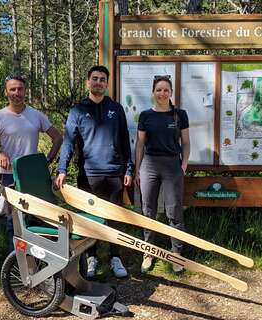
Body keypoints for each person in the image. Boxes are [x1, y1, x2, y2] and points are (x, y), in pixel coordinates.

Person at [54, 65, 133, 278]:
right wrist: (62, 169)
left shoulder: (116, 109)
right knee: (89, 219)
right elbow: (69, 143)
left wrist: (128, 168)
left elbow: (125, 141)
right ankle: (92, 258)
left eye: (102, 79)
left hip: (114, 173)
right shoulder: (78, 110)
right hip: (88, 175)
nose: (98, 82)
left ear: (107, 84)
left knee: (115, 217)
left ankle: (115, 257)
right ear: (88, 82)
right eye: (95, 79)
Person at [0, 74, 63, 251]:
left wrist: (47, 160)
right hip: (8, 177)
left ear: (25, 91)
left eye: (20, 89)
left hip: (33, 179)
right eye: (12, 89)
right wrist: (1, 154)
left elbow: (57, 138)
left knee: (37, 218)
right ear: (6, 92)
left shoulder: (35, 115)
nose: (17, 93)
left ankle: (38, 258)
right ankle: (15, 263)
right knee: (13, 222)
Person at [134, 75, 190, 273]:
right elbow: (140, 144)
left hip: (172, 166)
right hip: (149, 165)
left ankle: (176, 254)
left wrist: (183, 165)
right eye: (159, 89)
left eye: (166, 90)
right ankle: (148, 252)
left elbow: (186, 142)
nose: (162, 93)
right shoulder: (145, 115)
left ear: (171, 93)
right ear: (153, 92)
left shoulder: (179, 115)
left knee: (174, 211)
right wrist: (137, 169)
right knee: (148, 211)